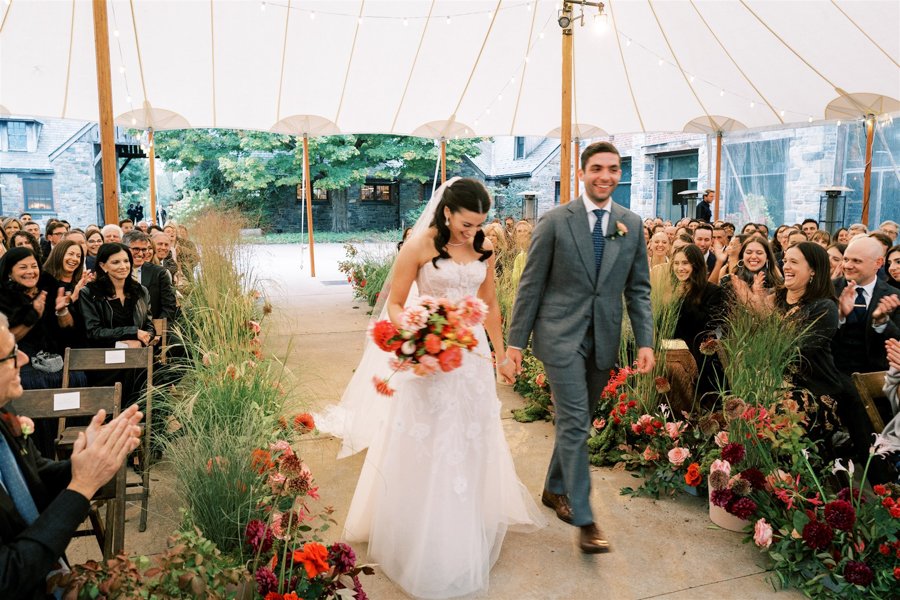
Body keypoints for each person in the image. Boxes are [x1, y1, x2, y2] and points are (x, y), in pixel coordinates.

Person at [337, 178, 545, 599]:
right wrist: (416, 334)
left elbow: (488, 307)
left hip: (469, 365)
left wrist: (502, 355)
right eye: (467, 224)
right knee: (427, 441)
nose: (473, 233)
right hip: (428, 363)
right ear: (447, 212)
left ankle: (460, 523)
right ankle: (418, 528)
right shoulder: (418, 246)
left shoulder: (482, 249)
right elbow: (396, 304)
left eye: (479, 225)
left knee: (468, 441)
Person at [503, 141, 654, 554]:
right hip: (559, 336)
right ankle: (586, 519)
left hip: (603, 337)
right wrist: (515, 344)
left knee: (580, 420)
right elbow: (529, 287)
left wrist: (645, 341)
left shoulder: (631, 224)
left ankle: (554, 489)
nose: (605, 175)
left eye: (613, 169)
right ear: (583, 173)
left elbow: (638, 289)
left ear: (619, 174)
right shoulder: (554, 221)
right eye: (597, 168)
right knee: (573, 421)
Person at [0, 312, 143, 600]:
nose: (25, 360)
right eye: (12, 355)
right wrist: (81, 488)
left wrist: (88, 462)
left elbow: (33, 476)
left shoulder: (4, 412)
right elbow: (7, 576)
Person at [670, 244, 725, 403]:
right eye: (676, 263)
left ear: (696, 265)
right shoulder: (669, 291)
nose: (680, 268)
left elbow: (706, 325)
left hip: (699, 354)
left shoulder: (713, 292)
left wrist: (684, 298)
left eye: (685, 263)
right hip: (671, 352)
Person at [122, 231, 177, 321]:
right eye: (136, 249)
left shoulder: (159, 273)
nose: (140, 254)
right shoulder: (114, 272)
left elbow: (169, 307)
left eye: (144, 250)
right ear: (124, 249)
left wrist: (155, 330)